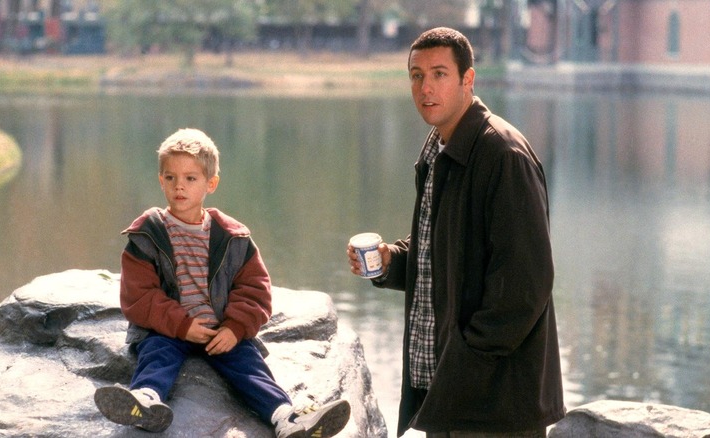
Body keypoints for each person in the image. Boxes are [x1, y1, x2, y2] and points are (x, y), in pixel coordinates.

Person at [347, 27, 565, 437]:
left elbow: (525, 287)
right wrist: (390, 261)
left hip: (492, 403)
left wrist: (466, 361)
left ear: (468, 79)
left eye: (439, 74)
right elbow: (440, 253)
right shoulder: (439, 150)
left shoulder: (503, 155)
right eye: (416, 75)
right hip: (447, 396)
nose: (425, 87)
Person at [95, 128, 350, 437]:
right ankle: (146, 401)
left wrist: (234, 328)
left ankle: (286, 418)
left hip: (219, 331)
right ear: (161, 180)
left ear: (210, 184)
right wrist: (182, 325)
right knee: (157, 354)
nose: (180, 186)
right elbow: (139, 296)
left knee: (248, 365)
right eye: (171, 177)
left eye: (191, 178)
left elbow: (254, 291)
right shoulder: (147, 235)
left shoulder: (233, 238)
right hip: (168, 329)